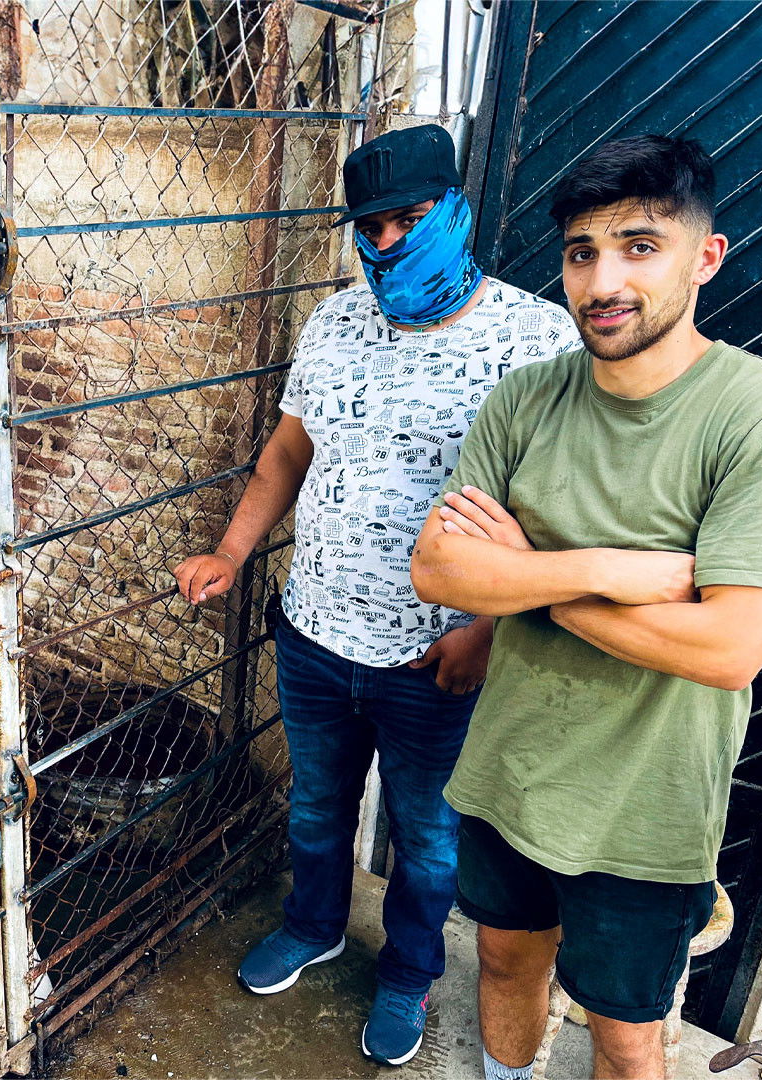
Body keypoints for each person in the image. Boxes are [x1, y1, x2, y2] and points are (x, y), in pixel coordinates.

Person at [409, 134, 762, 1080]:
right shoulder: (527, 398)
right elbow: (438, 570)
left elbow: (728, 648)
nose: (603, 282)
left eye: (641, 247)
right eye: (581, 253)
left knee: (625, 1031)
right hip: (511, 770)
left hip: (646, 810)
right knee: (503, 962)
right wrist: (608, 569)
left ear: (704, 258)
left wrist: (531, 579)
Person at [173, 124, 575, 1067]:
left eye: (409, 219)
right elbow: (289, 451)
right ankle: (313, 926)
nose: (387, 243)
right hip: (314, 631)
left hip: (434, 654)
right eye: (372, 227)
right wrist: (231, 550)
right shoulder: (334, 322)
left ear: (456, 211)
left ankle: (407, 975)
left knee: (428, 840)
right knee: (317, 807)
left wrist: (486, 630)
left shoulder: (537, 339)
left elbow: (553, 509)